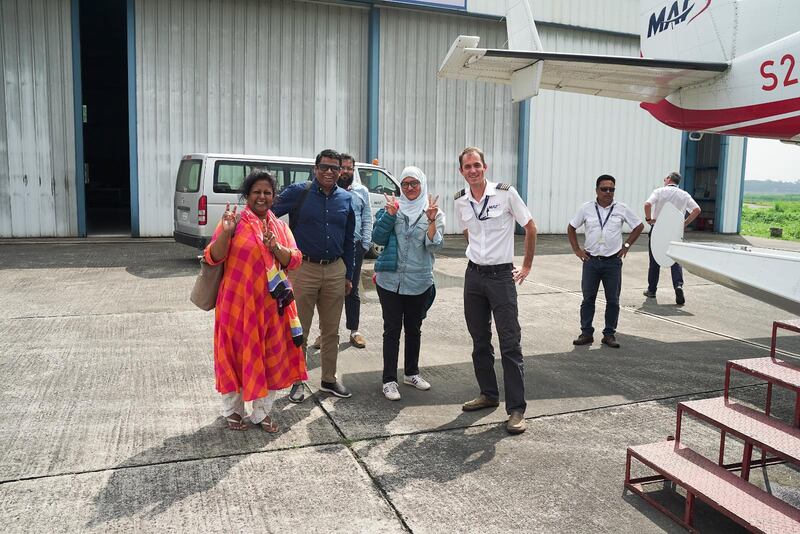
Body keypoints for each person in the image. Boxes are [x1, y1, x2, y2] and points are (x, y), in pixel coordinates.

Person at [205, 169, 307, 432]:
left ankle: (261, 413)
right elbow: (212, 256)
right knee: (234, 357)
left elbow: (294, 260)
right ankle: (233, 411)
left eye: (267, 192)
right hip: (236, 306)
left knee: (269, 357)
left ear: (274, 197)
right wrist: (226, 233)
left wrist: (275, 247)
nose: (262, 197)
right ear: (247, 196)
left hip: (272, 308)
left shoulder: (280, 227)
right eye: (256, 192)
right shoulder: (233, 223)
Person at [454, 147, 537, 435]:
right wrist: (476, 251)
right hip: (474, 276)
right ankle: (488, 393)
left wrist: (525, 265)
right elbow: (469, 230)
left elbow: (530, 226)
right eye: (467, 167)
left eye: (477, 165)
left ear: (485, 167)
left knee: (510, 343)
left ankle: (516, 410)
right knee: (479, 340)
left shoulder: (505, 193)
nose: (473, 170)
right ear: (461, 171)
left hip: (502, 277)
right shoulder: (461, 201)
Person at [271, 149, 355, 402]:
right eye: (324, 167)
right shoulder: (299, 192)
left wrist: (348, 275)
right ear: (315, 168)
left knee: (331, 331)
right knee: (300, 329)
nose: (329, 172)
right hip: (303, 269)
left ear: (341, 171)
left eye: (335, 168)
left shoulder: (346, 199)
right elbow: (269, 213)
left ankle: (329, 379)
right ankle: (297, 380)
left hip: (335, 270)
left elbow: (350, 240)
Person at [372, 166, 444, 401]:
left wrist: (431, 221)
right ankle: (389, 380)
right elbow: (377, 238)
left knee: (414, 329)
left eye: (414, 183)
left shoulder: (434, 212)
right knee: (391, 330)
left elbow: (434, 246)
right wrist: (390, 215)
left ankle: (411, 373)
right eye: (405, 184)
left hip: (419, 280)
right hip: (390, 281)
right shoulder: (393, 208)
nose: (410, 188)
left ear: (422, 184)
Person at [567, 174, 644, 348]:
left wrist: (626, 245)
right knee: (588, 299)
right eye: (604, 189)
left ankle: (609, 334)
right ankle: (586, 333)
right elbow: (571, 227)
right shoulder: (586, 209)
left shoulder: (621, 208)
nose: (608, 192)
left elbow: (639, 226)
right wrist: (577, 250)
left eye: (611, 189)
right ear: (596, 190)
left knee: (613, 300)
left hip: (612, 262)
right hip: (591, 262)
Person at [312, 153, 372, 349]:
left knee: (352, 290)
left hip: (354, 247)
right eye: (343, 167)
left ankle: (354, 330)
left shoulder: (361, 192)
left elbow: (367, 219)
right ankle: (326, 334)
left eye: (349, 168)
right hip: (333, 248)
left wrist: (364, 245)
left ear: (353, 170)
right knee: (327, 293)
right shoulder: (329, 192)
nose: (345, 171)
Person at [643, 172, 701, 305]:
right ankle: (678, 286)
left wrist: (648, 219)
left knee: (655, 260)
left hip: (658, 229)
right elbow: (697, 209)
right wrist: (684, 223)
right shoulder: (684, 194)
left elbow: (647, 204)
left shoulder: (659, 191)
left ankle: (652, 290)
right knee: (675, 260)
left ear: (669, 179)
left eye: (665, 178)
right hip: (675, 231)